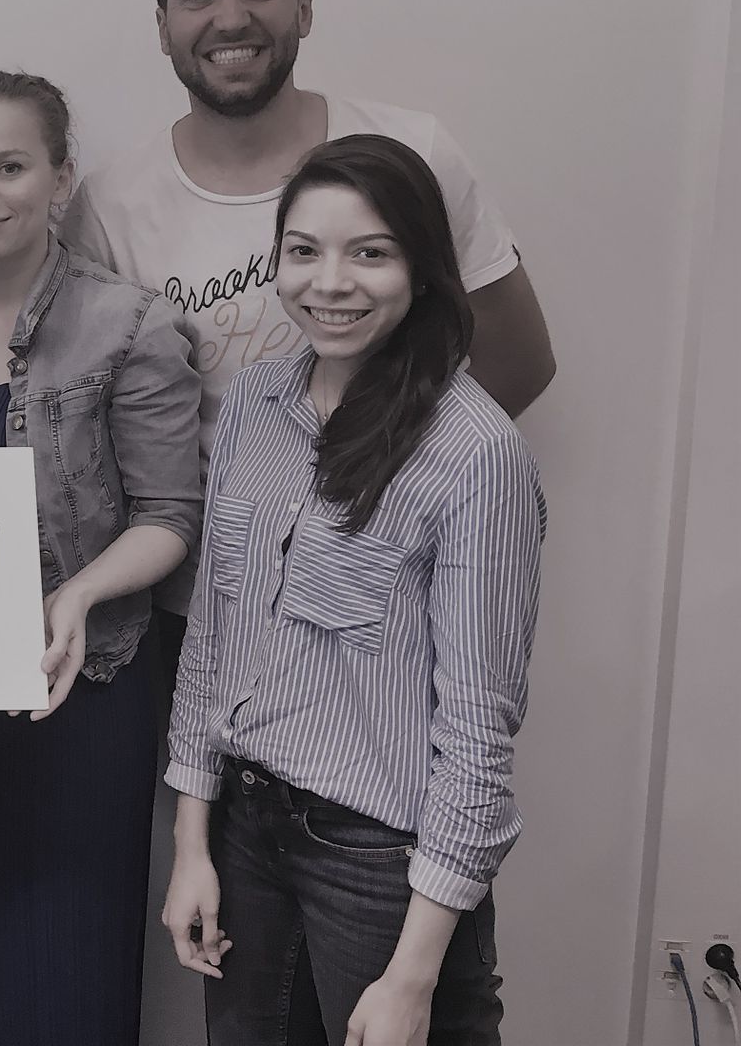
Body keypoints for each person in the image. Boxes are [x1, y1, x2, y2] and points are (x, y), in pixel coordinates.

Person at [61, 0, 556, 684]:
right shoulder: (108, 204)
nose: (231, 17)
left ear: (305, 5)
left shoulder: (414, 154)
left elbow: (518, 359)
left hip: (378, 599)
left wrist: (382, 494)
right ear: (163, 24)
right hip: (193, 608)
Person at [161, 135, 545, 1046]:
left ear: (423, 268)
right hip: (245, 831)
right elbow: (214, 636)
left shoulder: (475, 452)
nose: (329, 283)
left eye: (370, 253)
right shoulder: (255, 402)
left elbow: (478, 734)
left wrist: (414, 976)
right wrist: (191, 845)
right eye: (304, 251)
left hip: (382, 866)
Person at [0, 71, 202, 1044]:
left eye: (10, 167)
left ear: (61, 178)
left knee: (67, 977)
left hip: (82, 698)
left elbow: (171, 516)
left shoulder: (129, 323)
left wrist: (77, 595)